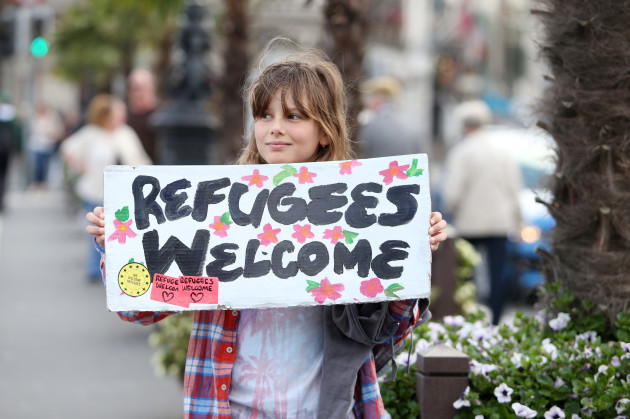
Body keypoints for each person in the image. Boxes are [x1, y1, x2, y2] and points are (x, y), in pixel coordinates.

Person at [85, 52, 448, 418]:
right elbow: (138, 308)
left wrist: (413, 255)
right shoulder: (215, 208)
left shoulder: (354, 214)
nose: (275, 128)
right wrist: (116, 248)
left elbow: (387, 330)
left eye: (294, 116)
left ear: (325, 131)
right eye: (264, 115)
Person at [441, 100, 522, 325]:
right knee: (498, 273)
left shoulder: (461, 151)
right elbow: (514, 189)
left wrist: (454, 211)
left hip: (470, 222)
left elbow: (452, 193)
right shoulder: (502, 151)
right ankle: (496, 319)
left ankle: (468, 319)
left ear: (463, 125)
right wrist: (518, 220)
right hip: (500, 222)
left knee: (466, 274)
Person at [62, 94, 151, 281]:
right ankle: (95, 269)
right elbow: (67, 149)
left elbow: (140, 158)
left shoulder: (125, 133)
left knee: (121, 232)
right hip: (95, 190)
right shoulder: (91, 133)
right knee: (98, 231)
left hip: (123, 193)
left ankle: (116, 269)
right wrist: (82, 167)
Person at [360, 76, 429, 158]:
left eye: (370, 97)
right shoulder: (414, 126)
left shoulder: (370, 127)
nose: (366, 102)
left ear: (378, 98)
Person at [127, 68, 159, 163]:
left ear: (152, 88)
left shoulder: (161, 116)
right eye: (134, 89)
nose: (137, 94)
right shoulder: (123, 117)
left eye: (141, 88)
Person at [29, 103, 63, 189]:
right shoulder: (36, 119)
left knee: (47, 165)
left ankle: (44, 182)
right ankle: (39, 182)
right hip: (38, 146)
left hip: (48, 145)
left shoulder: (51, 118)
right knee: (39, 165)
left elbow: (55, 131)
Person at [0, 91, 21, 212]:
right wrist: (18, 150)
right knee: (4, 175)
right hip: (7, 147)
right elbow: (16, 133)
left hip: (6, 147)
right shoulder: (10, 113)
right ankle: (1, 200)